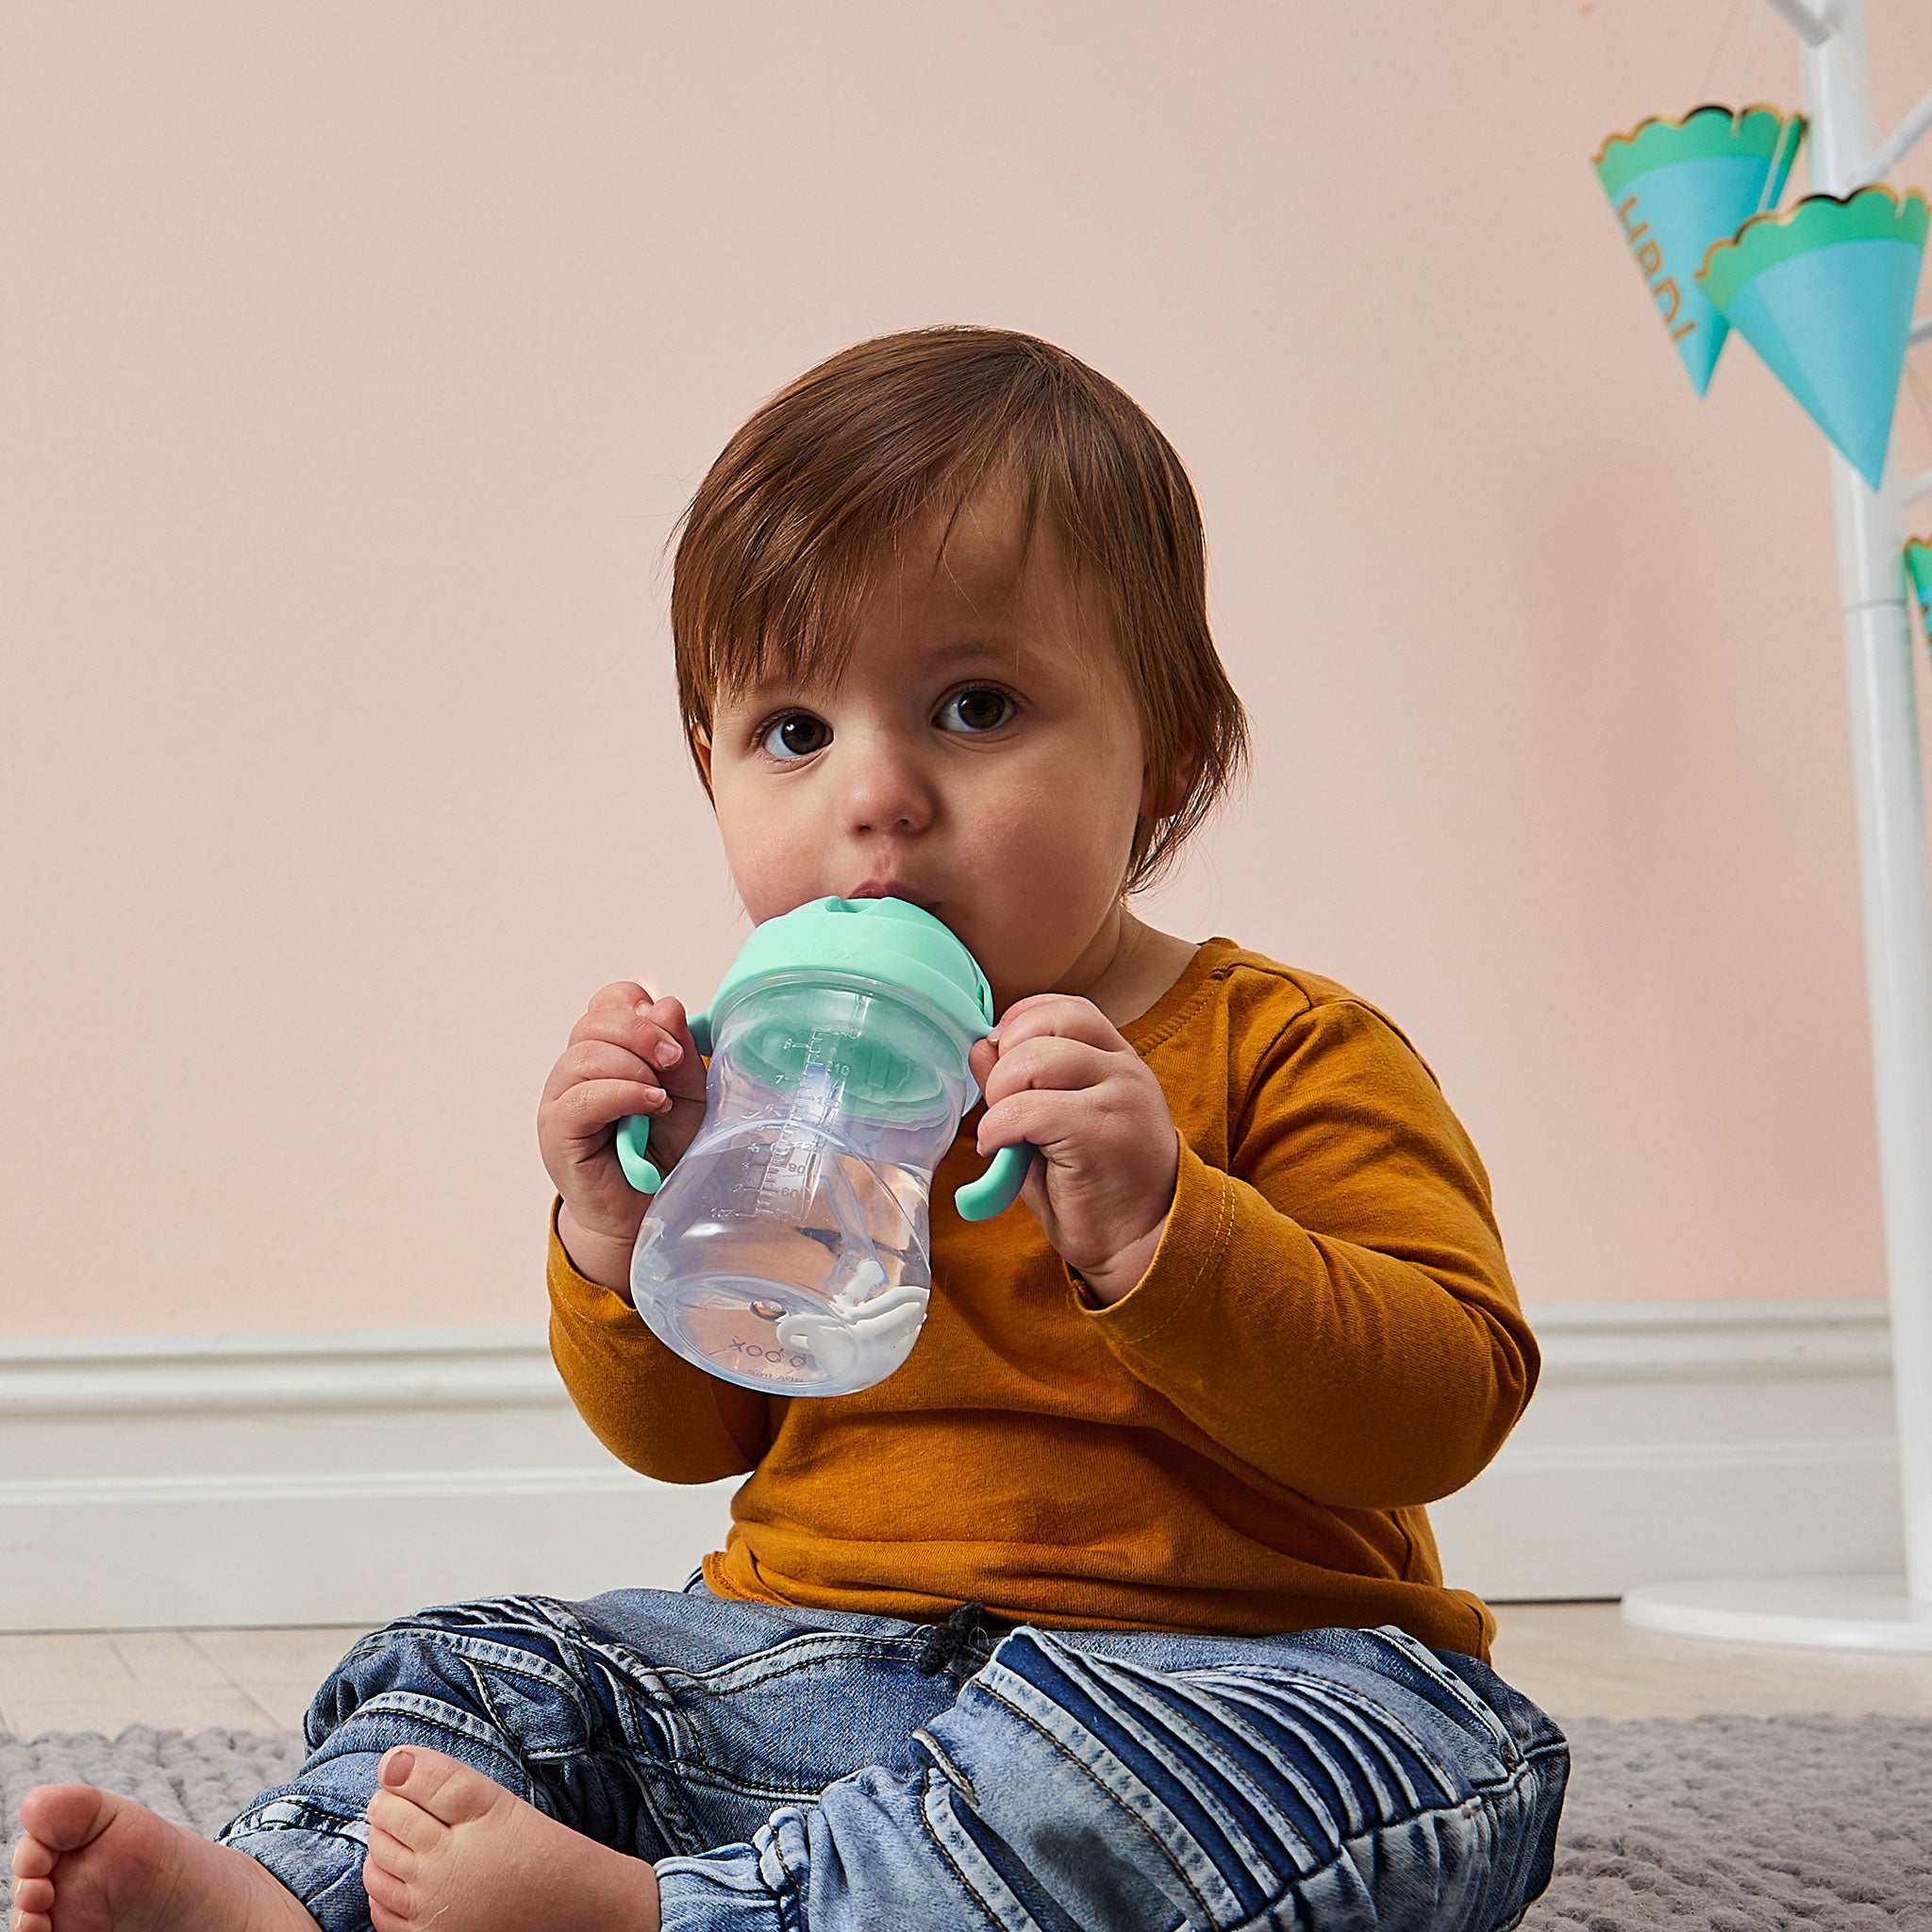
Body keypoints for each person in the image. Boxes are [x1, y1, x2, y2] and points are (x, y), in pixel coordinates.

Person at [8, 326, 1568, 1932]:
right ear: (711, 768)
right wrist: (617, 1234)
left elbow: (1444, 1404)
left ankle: (676, 1917)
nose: (874, 795)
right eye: (795, 733)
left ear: (1161, 756)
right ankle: (295, 1893)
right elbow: (695, 1439)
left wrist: (1170, 1227)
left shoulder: (1282, 1045)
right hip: (807, 1660)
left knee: (1283, 1780)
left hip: (1214, 1670)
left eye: (975, 704)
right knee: (485, 1671)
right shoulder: (749, 1074)